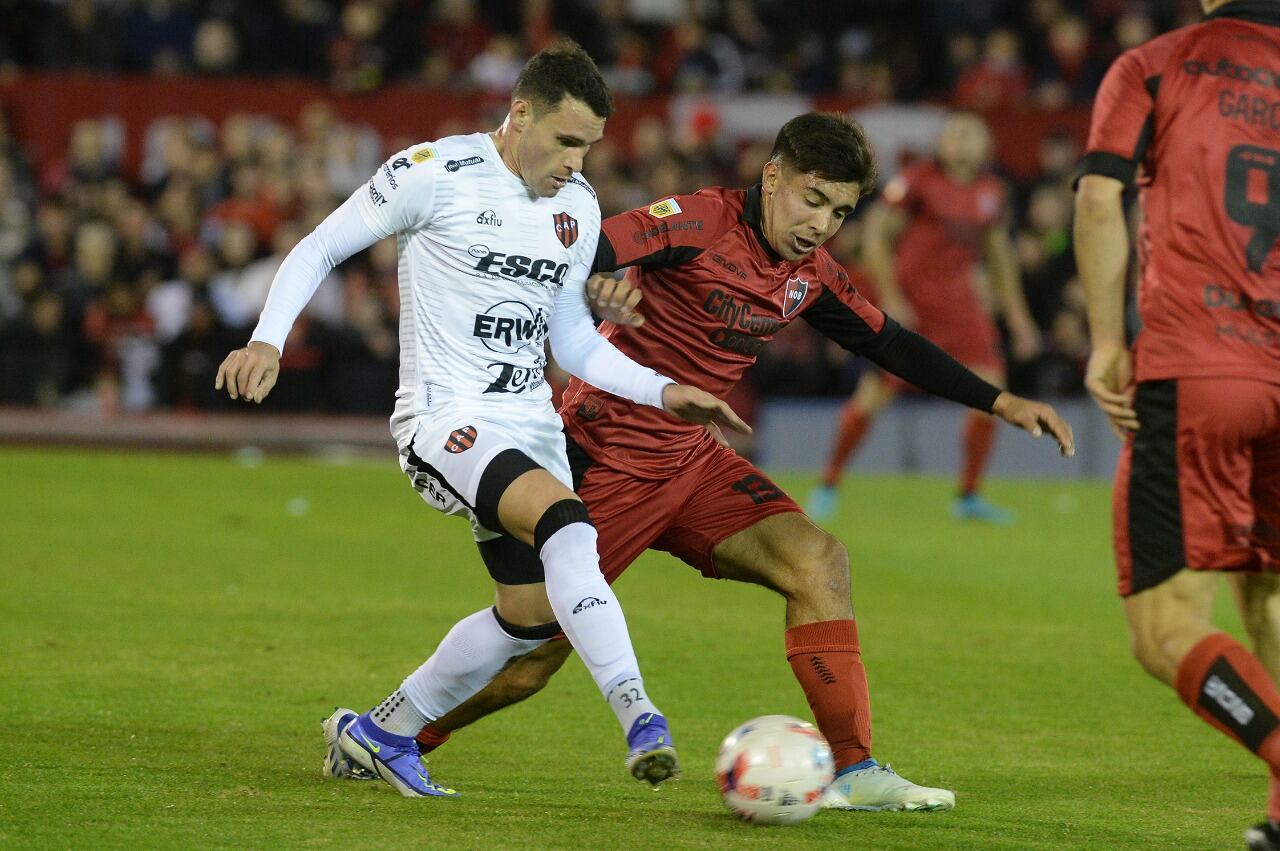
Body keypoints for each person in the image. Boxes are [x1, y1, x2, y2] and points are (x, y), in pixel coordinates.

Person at [327, 111, 1075, 811]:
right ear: (775, 177)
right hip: (601, 456)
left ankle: (854, 767)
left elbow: (889, 342)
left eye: (840, 212)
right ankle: (389, 736)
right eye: (813, 200)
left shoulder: (808, 274)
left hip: (690, 460)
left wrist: (998, 401)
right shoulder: (697, 221)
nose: (821, 225)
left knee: (818, 562)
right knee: (532, 654)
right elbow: (580, 241)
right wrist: (595, 285)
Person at [215, 41, 749, 796]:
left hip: (530, 424)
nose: (578, 163)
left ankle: (378, 733)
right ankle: (641, 714)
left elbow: (569, 341)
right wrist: (268, 337)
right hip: (445, 419)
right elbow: (320, 246)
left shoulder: (575, 208)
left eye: (590, 147)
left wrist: (663, 390)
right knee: (569, 524)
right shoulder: (434, 173)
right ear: (519, 113)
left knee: (528, 616)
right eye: (566, 141)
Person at [1073, 2, 1280, 847]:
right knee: (1266, 589)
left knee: (1165, 628)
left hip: (1200, 364)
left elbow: (1097, 201)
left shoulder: (1155, 65)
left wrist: (1106, 342)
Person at [809, 112, 1042, 525]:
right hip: (915, 308)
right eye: (957, 133)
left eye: (973, 133)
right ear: (943, 142)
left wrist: (1019, 319)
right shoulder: (918, 181)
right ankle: (829, 482)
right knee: (873, 397)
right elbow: (878, 234)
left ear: (987, 146)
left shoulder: (991, 192)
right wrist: (892, 296)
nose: (964, 141)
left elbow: (1000, 259)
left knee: (993, 394)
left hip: (962, 310)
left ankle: (969, 495)